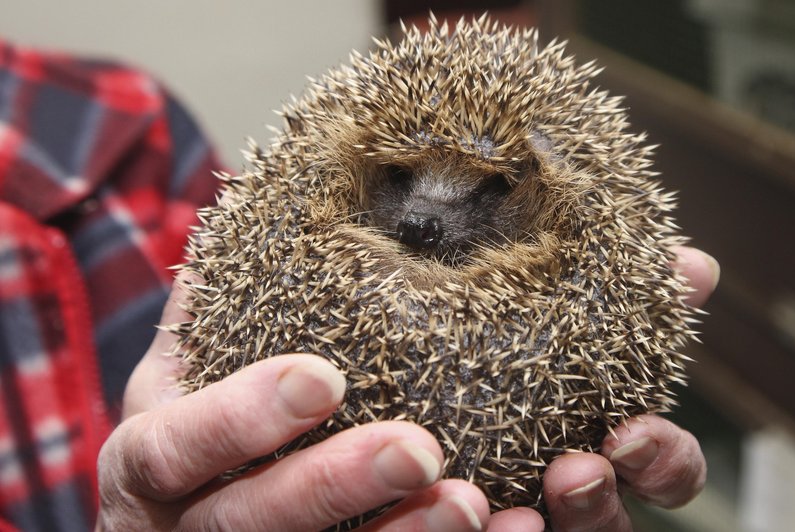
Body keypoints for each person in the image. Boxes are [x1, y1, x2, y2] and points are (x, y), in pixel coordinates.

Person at [0, 39, 718, 531]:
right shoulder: (281, 206)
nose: (423, 219)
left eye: (486, 191)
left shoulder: (135, 123)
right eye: (401, 178)